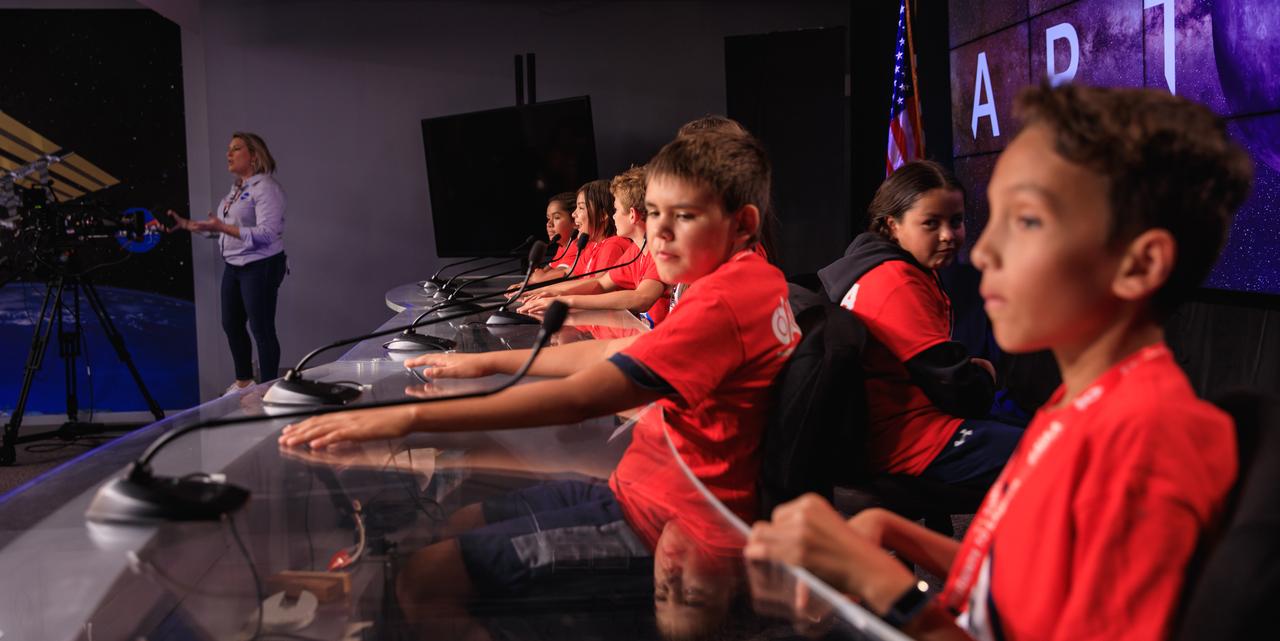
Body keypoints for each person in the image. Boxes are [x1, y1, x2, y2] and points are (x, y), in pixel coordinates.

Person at [745, 84, 1252, 641]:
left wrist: (888, 587)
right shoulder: (1080, 405)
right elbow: (1018, 591)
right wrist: (892, 531)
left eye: (1028, 221)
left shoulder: (1147, 445)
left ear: (1139, 264)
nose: (981, 252)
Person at [279, 130, 800, 625]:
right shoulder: (748, 278)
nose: (658, 233)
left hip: (666, 523)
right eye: (655, 213)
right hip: (638, 488)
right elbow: (625, 347)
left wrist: (405, 418)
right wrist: (487, 361)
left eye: (682, 217)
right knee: (456, 522)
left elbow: (579, 400)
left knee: (423, 581)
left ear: (742, 221)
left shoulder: (723, 302)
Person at [817, 160, 1019, 487]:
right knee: (1053, 456)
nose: (947, 236)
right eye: (931, 223)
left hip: (904, 431)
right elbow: (961, 392)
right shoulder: (896, 282)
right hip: (909, 445)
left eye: (956, 221)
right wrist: (985, 374)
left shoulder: (887, 267)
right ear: (892, 226)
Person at [166, 132, 287, 394]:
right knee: (231, 323)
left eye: (235, 149)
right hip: (235, 266)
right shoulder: (237, 190)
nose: (228, 154)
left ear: (253, 156)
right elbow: (223, 230)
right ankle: (244, 382)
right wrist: (190, 225)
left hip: (261, 265)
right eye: (228, 150)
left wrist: (223, 227)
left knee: (262, 328)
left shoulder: (267, 188)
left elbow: (267, 233)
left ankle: (268, 389)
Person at [520, 167, 672, 325]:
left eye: (616, 210)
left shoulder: (658, 250)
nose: (614, 216)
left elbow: (641, 298)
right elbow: (601, 283)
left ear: (632, 215)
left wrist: (565, 301)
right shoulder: (636, 250)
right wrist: (544, 292)